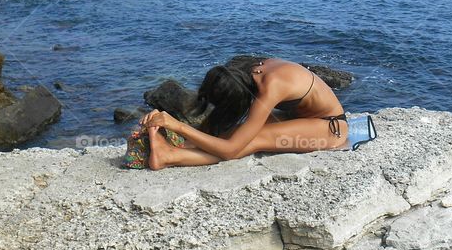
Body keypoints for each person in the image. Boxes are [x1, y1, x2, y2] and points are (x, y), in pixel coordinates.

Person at [139, 56, 349, 170]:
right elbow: (224, 120)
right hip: (302, 118)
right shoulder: (244, 68)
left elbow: (230, 150)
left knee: (253, 140)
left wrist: (177, 125)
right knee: (238, 133)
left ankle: (170, 156)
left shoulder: (272, 86)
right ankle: (174, 145)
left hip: (331, 128)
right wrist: (180, 134)